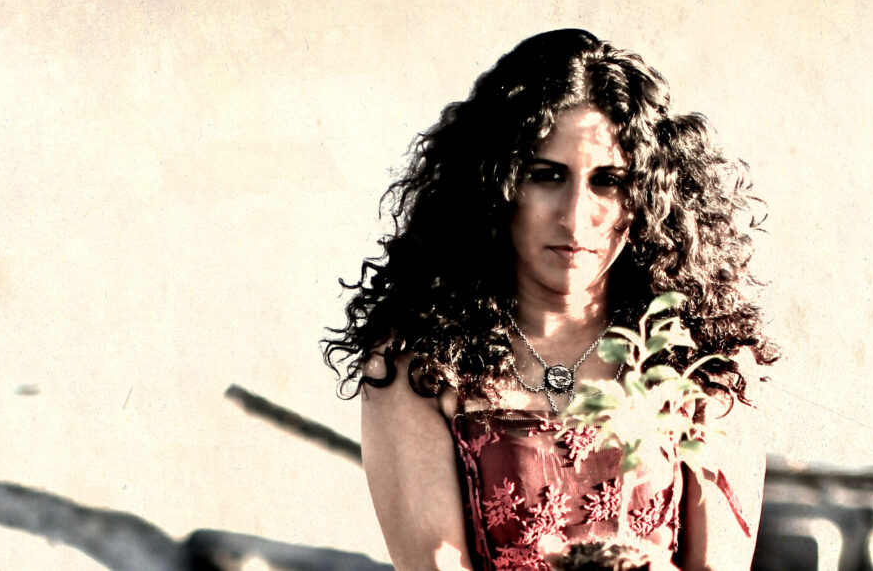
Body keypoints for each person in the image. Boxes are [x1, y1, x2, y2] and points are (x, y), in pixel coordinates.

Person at [323, 29, 779, 570]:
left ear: (648, 197)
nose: (575, 215)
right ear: (494, 184)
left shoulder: (711, 365)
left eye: (608, 180)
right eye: (547, 175)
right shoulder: (417, 369)